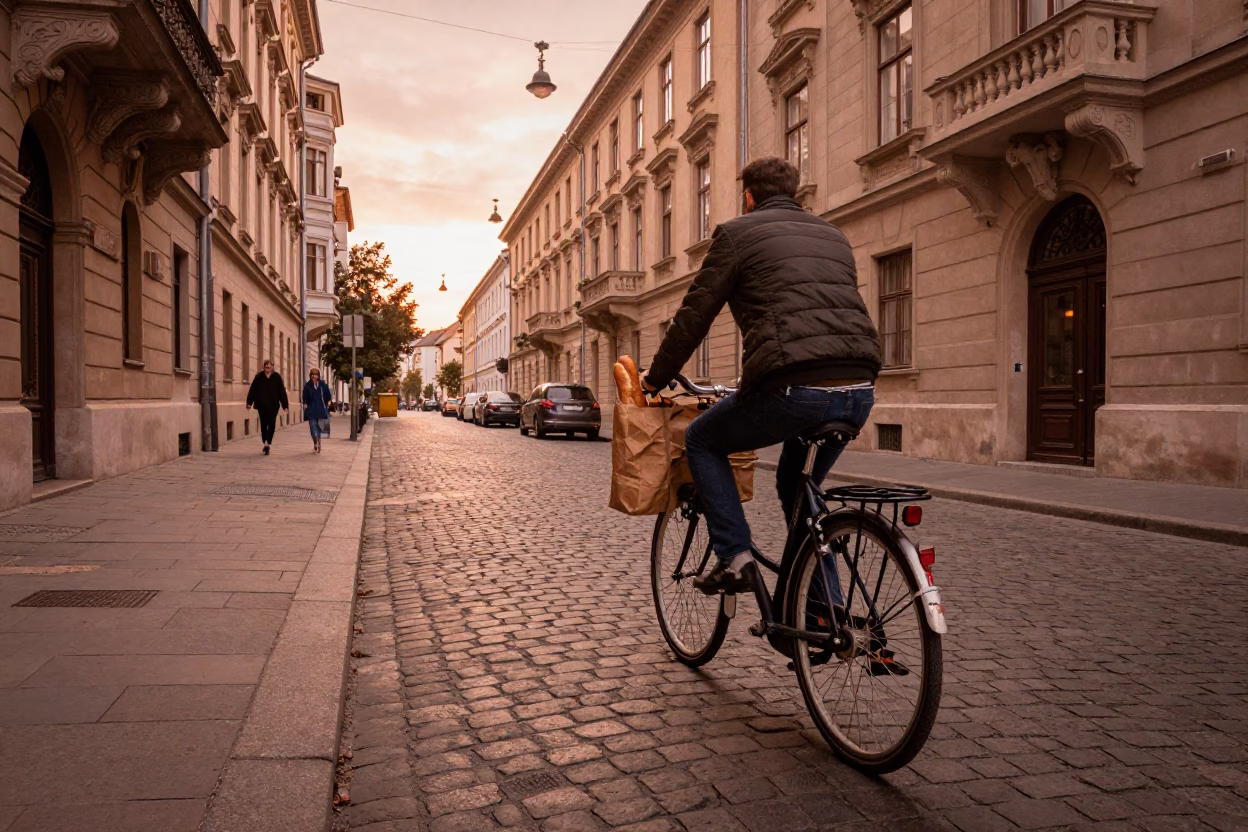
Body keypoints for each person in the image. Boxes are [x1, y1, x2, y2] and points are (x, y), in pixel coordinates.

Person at [642, 157, 881, 595]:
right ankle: (823, 613)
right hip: (859, 389)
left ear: (749, 196)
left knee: (702, 439)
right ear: (793, 191)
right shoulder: (833, 234)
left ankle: (735, 557)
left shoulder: (737, 234)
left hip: (793, 388)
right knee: (798, 492)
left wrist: (655, 379)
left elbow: (694, 316)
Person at [246, 359, 289, 455]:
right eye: (266, 367)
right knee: (263, 424)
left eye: (269, 367)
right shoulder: (259, 377)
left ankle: (268, 442)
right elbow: (253, 390)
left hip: (273, 405)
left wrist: (285, 405)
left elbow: (282, 392)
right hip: (261, 405)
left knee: (272, 423)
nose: (267, 369)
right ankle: (265, 442)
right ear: (264, 367)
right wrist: (249, 402)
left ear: (272, 367)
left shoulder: (277, 377)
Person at [302, 368, 333, 453]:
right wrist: (305, 403)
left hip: (321, 409)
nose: (314, 376)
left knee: (319, 427)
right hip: (311, 409)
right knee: (312, 427)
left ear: (318, 376)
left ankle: (318, 441)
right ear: (310, 376)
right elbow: (305, 396)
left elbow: (327, 394)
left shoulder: (322, 385)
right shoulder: (308, 385)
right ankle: (315, 441)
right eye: (313, 375)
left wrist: (329, 401)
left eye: (316, 375)